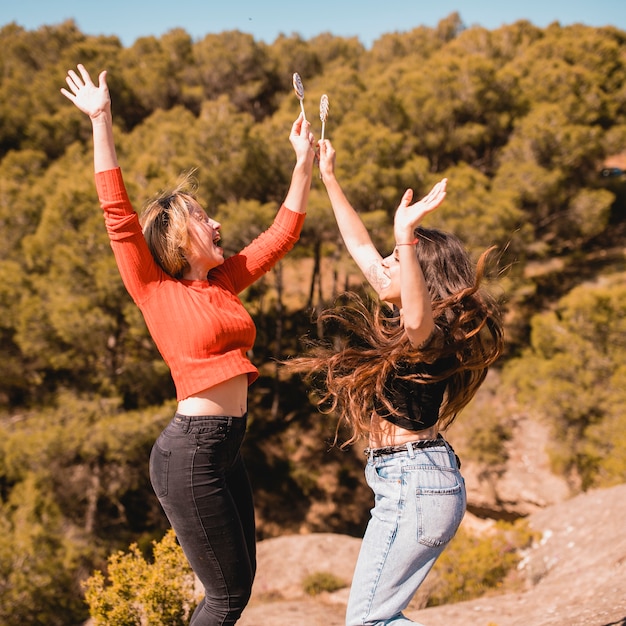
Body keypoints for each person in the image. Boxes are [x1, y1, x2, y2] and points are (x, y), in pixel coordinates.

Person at [61, 64, 316, 625]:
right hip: (190, 452)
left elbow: (282, 235)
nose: (218, 223)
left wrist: (303, 165)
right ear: (178, 234)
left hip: (227, 447)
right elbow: (118, 216)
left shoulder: (222, 283)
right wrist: (101, 120)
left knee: (239, 588)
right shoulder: (153, 288)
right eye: (205, 217)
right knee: (225, 599)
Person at [288, 139, 504, 626]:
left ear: (420, 279)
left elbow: (415, 316)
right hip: (412, 481)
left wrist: (405, 238)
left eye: (397, 258)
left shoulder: (428, 335)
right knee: (376, 618)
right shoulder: (410, 318)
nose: (383, 263)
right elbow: (360, 246)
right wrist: (328, 177)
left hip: (414, 482)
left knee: (369, 621)